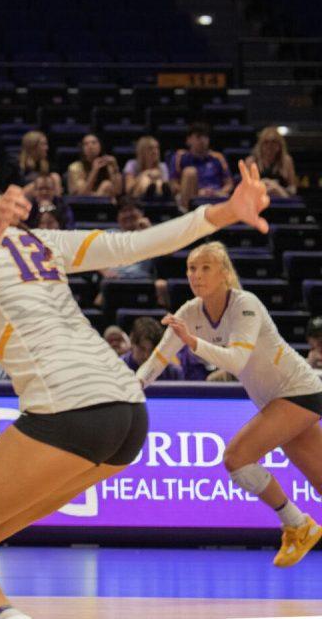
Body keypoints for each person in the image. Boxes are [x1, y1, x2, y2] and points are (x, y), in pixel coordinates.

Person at [0, 155, 269, 619]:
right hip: (127, 413)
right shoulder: (40, 242)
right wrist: (224, 212)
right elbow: (136, 244)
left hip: (70, 407)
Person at [137, 240, 322, 567]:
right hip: (275, 399)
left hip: (299, 390)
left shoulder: (245, 304)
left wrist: (193, 343)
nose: (197, 274)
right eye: (192, 268)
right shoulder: (190, 313)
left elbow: (237, 360)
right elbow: (158, 359)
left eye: (206, 267)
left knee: (237, 457)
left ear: (224, 273)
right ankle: (299, 525)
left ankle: (297, 524)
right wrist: (131, 388)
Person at [170, 122, 233, 209]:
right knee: (190, 172)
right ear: (188, 140)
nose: (203, 140)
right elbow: (173, 184)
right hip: (191, 197)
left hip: (215, 196)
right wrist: (195, 192)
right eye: (198, 137)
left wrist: (217, 192)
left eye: (205, 137)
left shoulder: (218, 157)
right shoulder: (180, 156)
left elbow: (229, 184)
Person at [246, 126, 297, 198]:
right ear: (260, 145)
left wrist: (277, 188)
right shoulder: (251, 161)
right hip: (257, 199)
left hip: (281, 199)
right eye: (266, 142)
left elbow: (293, 188)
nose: (270, 146)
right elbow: (246, 188)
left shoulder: (287, 161)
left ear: (280, 145)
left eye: (273, 142)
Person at [124, 136, 173, 201]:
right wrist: (145, 173)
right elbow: (129, 189)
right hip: (136, 199)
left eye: (157, 148)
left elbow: (166, 187)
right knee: (145, 179)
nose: (155, 151)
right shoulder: (132, 164)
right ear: (142, 151)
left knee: (158, 182)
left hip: (160, 197)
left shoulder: (162, 166)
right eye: (151, 148)